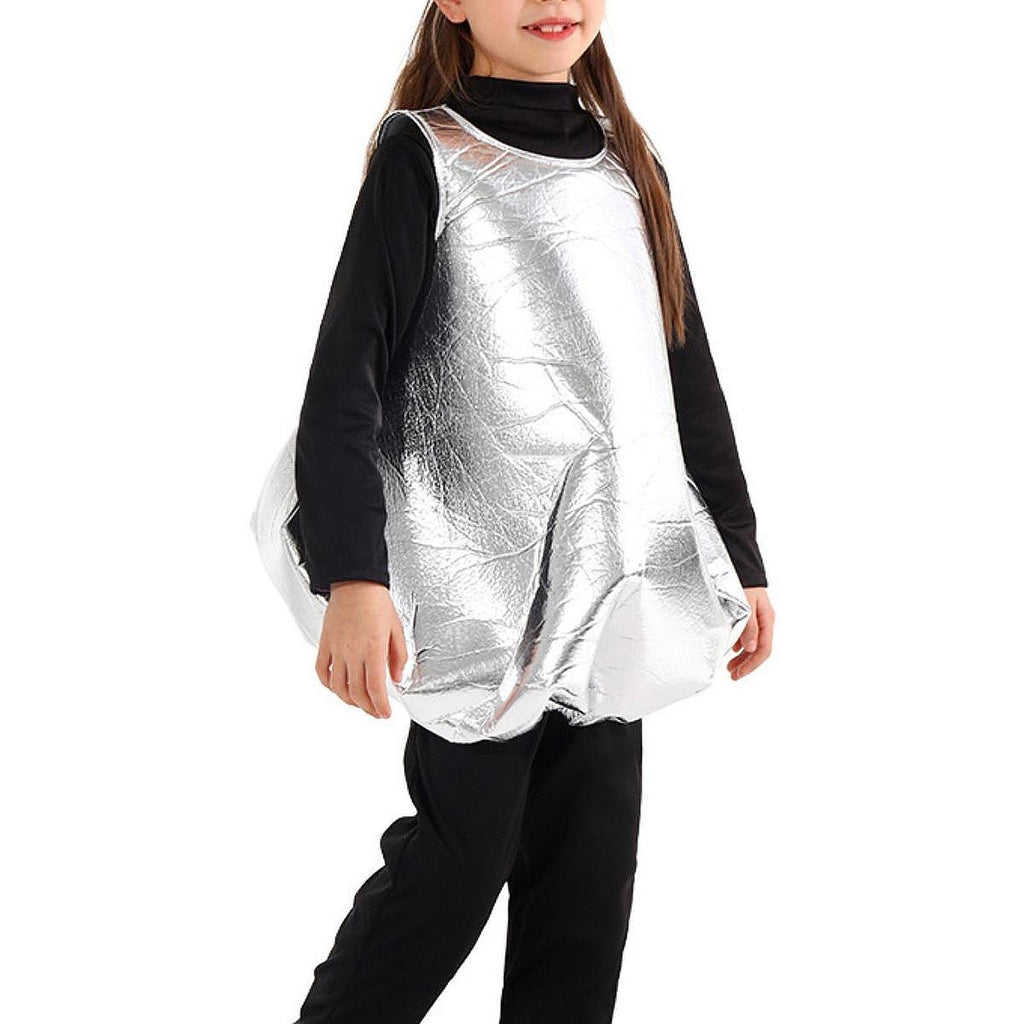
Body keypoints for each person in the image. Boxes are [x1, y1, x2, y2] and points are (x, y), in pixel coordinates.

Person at [265, 1, 775, 1021]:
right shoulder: (424, 155)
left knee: (588, 886)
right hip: (478, 599)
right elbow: (346, 377)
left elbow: (685, 373)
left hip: (616, 585)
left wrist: (741, 556)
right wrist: (354, 576)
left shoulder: (630, 165)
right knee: (456, 865)